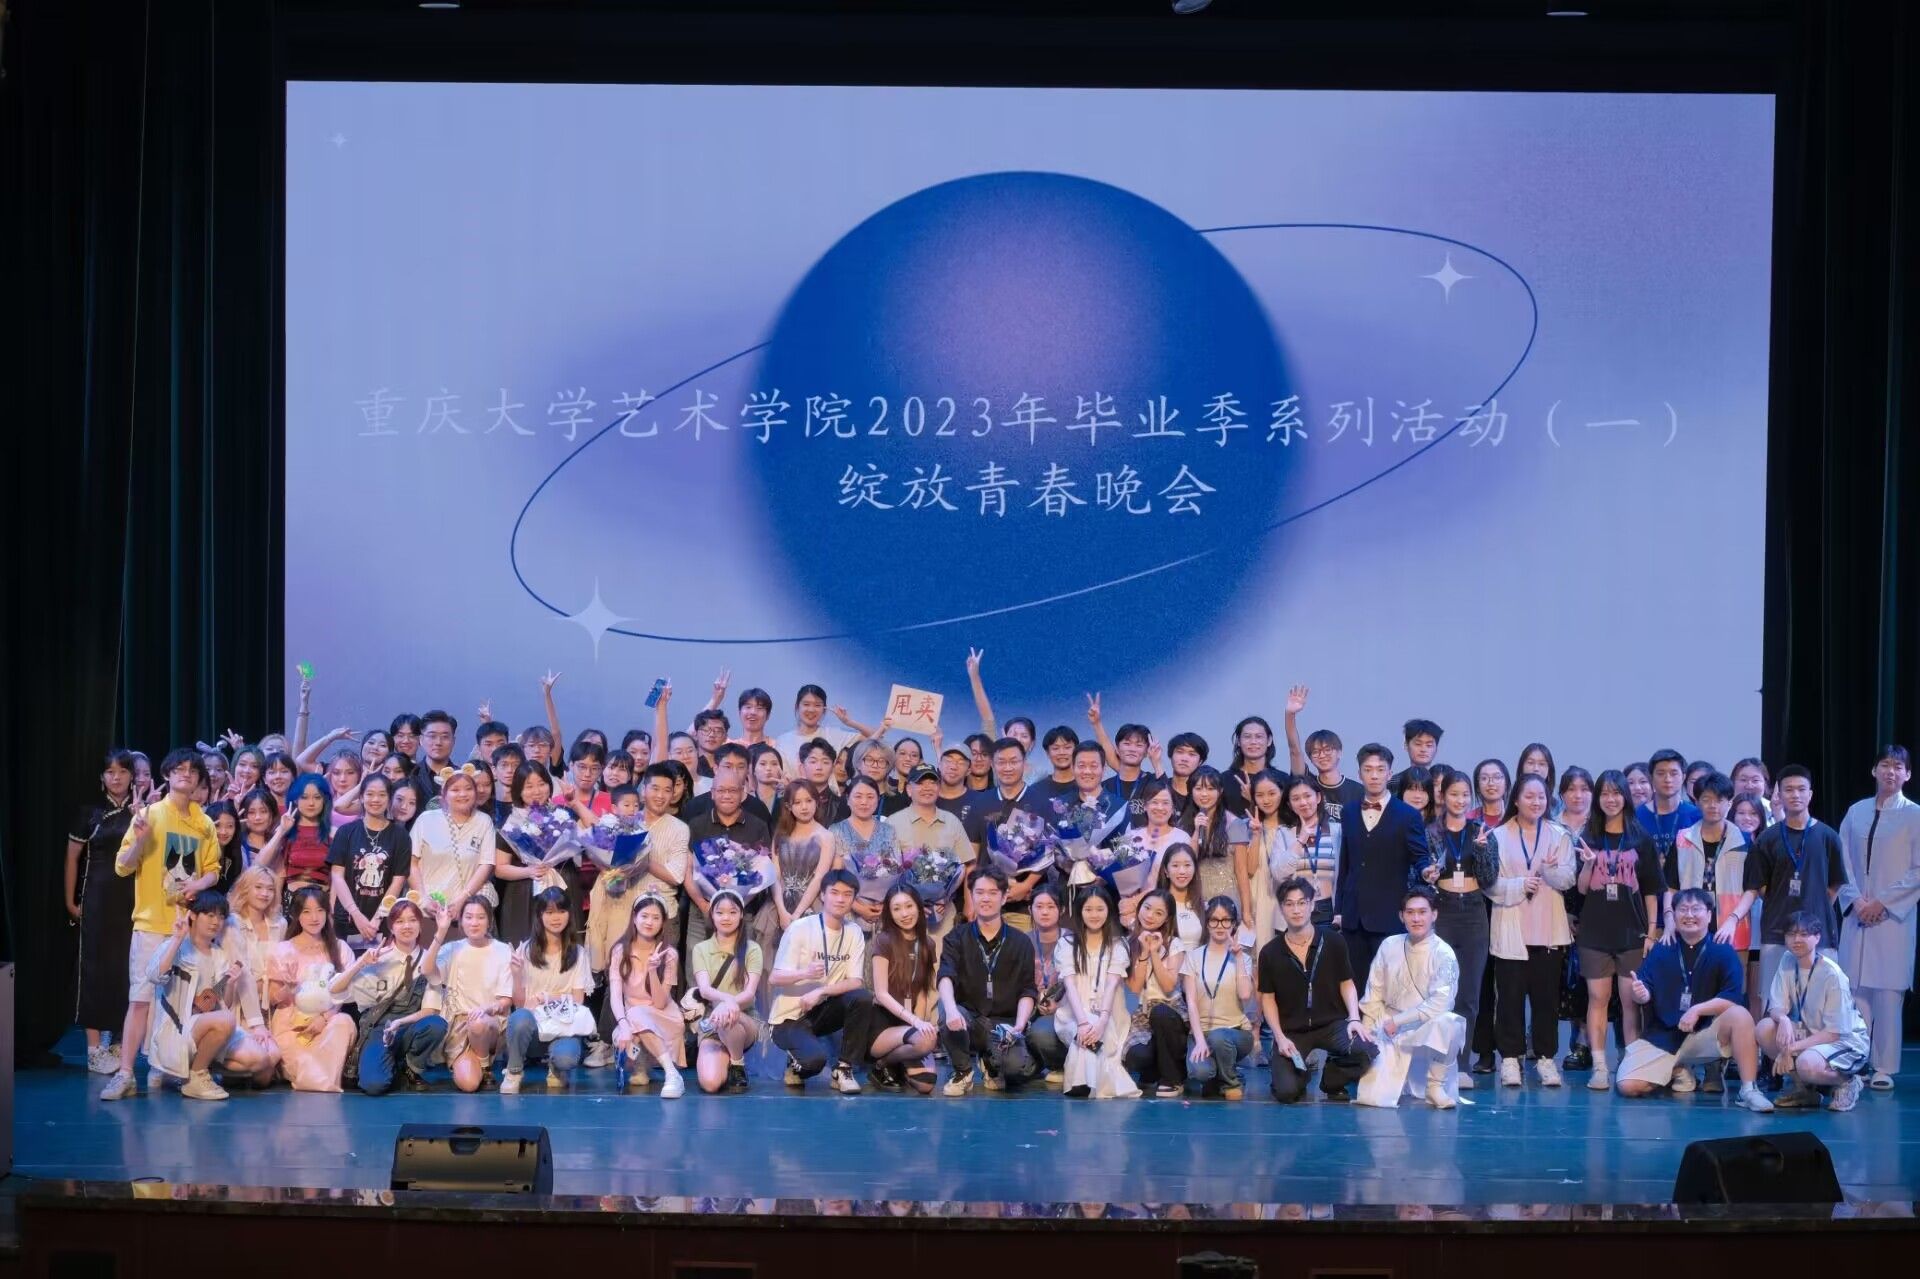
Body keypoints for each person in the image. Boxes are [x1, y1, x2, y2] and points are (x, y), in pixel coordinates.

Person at [101, 748, 222, 1101]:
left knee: (178, 1003)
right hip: (152, 923)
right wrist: (140, 839)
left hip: (188, 927)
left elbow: (213, 870)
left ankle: (164, 1065)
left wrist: (199, 884)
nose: (186, 774)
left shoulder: (204, 823)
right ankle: (125, 1074)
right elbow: (122, 866)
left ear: (199, 780)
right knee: (140, 999)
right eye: (178, 769)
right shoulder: (150, 815)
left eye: (192, 770)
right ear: (167, 774)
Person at [1616, 888, 1773, 1112]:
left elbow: (1732, 997)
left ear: (1709, 915)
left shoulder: (1723, 950)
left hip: (1704, 1034)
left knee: (1741, 1016)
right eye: (1683, 909)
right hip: (1663, 1036)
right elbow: (1644, 990)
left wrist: (1698, 1010)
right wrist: (1641, 994)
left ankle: (1749, 1090)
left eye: (1696, 909)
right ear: (1674, 915)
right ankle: (1677, 1070)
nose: (1689, 915)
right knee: (1628, 1086)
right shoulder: (1662, 949)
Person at [1570, 771, 1664, 1091]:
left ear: (1625, 796)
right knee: (1597, 998)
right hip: (1595, 933)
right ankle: (1599, 1066)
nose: (1611, 800)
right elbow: (1582, 889)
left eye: (1616, 793)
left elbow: (1651, 891)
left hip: (1632, 933)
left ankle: (1631, 1064)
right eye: (1605, 794)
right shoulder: (1588, 837)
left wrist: (1651, 932)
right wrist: (1588, 863)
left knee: (1630, 1002)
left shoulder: (1641, 839)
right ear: (1598, 799)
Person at [1835, 745, 1918, 1090]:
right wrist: (1855, 900)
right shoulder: (1856, 812)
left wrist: (1882, 903)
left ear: (1907, 774)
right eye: (1885, 765)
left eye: (1898, 766)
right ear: (1874, 770)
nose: (1890, 771)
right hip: (1857, 913)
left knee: (1887, 993)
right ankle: (1855, 1060)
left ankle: (1883, 1066)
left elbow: (1917, 870)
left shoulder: (1914, 815)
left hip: (1892, 919)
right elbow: (1842, 861)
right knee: (1854, 990)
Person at [143, 890, 278, 1100]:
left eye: (221, 916)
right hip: (179, 1028)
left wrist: (230, 984)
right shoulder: (176, 946)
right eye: (210, 915)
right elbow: (154, 976)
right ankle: (196, 1076)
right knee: (226, 1020)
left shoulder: (219, 955)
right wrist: (177, 939)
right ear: (193, 915)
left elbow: (225, 1003)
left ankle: (193, 1067)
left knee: (261, 1060)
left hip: (209, 1027)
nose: (216, 921)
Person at [1489, 774, 1575, 1087]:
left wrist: (1549, 870)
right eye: (1529, 796)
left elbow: (1568, 879)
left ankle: (1546, 1059)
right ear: (1515, 799)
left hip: (1547, 930)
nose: (1536, 802)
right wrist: (1519, 885)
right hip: (1511, 930)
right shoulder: (1498, 836)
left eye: (1541, 797)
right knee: (1509, 1000)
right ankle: (1510, 1059)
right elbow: (1489, 884)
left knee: (1546, 1001)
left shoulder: (1559, 834)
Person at [1258, 877, 1376, 1103]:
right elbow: (1268, 998)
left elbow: (1346, 982)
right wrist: (1279, 1037)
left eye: (1302, 903)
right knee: (1286, 1092)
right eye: (1289, 904)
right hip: (1292, 1030)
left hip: (1331, 1024)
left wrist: (1354, 1018)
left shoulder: (1333, 941)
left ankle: (1332, 1079)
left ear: (1312, 904)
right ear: (1281, 908)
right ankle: (1300, 1074)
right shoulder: (1270, 952)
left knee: (1366, 1048)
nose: (1296, 910)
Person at [1421, 766, 1498, 1090]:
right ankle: (1438, 1061)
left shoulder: (1482, 831)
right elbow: (1420, 874)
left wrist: (1480, 851)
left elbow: (1490, 879)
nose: (1460, 800)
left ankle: (1462, 1064)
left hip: (1474, 913)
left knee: (1468, 996)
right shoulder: (1430, 832)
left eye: (1466, 795)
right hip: (1444, 912)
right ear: (1443, 796)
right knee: (1440, 992)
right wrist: (1427, 874)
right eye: (1454, 794)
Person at [1355, 888, 1465, 1109]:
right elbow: (1374, 992)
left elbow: (1440, 1004)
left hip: (1423, 1028)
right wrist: (1370, 1030)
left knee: (1450, 1022)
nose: (1416, 918)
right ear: (1401, 916)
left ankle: (1435, 1086)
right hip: (1387, 1025)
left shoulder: (1443, 953)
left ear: (1434, 914)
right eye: (1410, 912)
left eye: (1422, 912)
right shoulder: (1389, 945)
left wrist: (1399, 1021)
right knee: (1372, 1099)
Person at [1736, 765, 1846, 983]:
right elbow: (1758, 885)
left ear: (1810, 794)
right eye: (1788, 789)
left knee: (1819, 998)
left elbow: (1835, 884)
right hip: (1777, 933)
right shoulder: (1767, 838)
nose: (1795, 795)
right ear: (1779, 795)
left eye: (1801, 789)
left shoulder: (1828, 836)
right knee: (1774, 997)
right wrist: (1780, 900)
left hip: (1819, 934)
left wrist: (1814, 904)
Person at [768, 868, 872, 1092]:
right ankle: (795, 1066)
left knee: (862, 998)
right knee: (814, 1062)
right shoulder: (800, 928)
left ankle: (843, 1069)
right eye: (834, 893)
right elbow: (775, 977)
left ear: (853, 899)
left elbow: (856, 981)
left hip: (821, 1010)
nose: (840, 899)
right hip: (788, 1018)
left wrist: (821, 991)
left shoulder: (854, 932)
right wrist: (804, 974)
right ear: (823, 895)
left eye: (847, 894)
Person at [68, 749, 139, 1075]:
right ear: (101, 777)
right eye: (110, 772)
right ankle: (94, 1049)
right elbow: (72, 858)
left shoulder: (142, 809)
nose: (116, 777)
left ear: (131, 775)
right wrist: (70, 901)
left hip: (132, 901)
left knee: (125, 969)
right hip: (96, 898)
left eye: (122, 771)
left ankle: (119, 1044)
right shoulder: (90, 813)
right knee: (94, 969)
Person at [1757, 911, 1871, 1111]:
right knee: (1764, 1028)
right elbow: (1776, 1006)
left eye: (1804, 934)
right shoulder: (1787, 960)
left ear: (1817, 937)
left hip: (1846, 1041)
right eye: (1791, 934)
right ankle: (1805, 1089)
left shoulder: (1832, 975)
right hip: (1812, 1032)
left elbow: (1834, 1033)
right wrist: (1783, 1019)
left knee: (1807, 1064)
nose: (1796, 940)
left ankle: (1848, 1081)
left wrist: (1791, 1048)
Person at [938, 867, 1038, 1094]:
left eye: (993, 893)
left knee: (1015, 1070)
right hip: (969, 1019)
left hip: (1005, 1025)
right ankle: (963, 1071)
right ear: (971, 896)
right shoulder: (956, 937)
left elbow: (1028, 990)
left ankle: (991, 1064)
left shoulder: (1021, 942)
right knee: (946, 1007)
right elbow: (945, 976)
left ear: (1004, 897)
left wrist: (1019, 1026)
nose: (985, 898)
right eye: (980, 892)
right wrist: (951, 1010)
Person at [1332, 744, 1427, 979]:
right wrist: (1339, 910)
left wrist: (1427, 870)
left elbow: (1420, 857)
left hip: (1389, 916)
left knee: (1390, 983)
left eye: (1380, 769)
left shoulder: (1408, 815)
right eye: (1368, 770)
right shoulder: (1349, 812)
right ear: (1359, 774)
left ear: (1389, 774)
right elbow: (1346, 864)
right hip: (1353, 917)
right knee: (1355, 983)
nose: (1374, 775)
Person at [336, 897, 444, 1095]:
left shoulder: (429, 959)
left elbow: (431, 1010)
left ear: (420, 924)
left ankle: (411, 1067)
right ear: (391, 927)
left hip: (410, 1025)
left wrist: (400, 1022)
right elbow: (335, 990)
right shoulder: (377, 957)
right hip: (380, 1028)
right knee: (374, 1085)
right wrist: (360, 963)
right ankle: (392, 1065)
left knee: (436, 1025)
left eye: (412, 920)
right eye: (400, 921)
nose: (407, 926)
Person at [501, 887, 595, 1094]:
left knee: (566, 1058)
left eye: (561, 911)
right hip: (535, 1027)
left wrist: (546, 997)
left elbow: (578, 1000)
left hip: (563, 1027)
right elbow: (520, 1005)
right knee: (520, 1018)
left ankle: (556, 1067)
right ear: (540, 915)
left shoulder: (578, 953)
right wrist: (516, 974)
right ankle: (514, 1071)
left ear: (569, 914)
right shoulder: (526, 950)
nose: (556, 918)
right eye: (550, 912)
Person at [266, 885, 356, 1092]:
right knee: (308, 1067)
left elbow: (343, 996)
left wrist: (324, 1018)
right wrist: (288, 989)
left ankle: (318, 1079)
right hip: (292, 1028)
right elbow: (272, 998)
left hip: (327, 1025)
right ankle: (320, 1079)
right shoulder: (283, 950)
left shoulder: (340, 949)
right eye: (306, 911)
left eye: (319, 910)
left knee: (343, 1022)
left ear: (327, 913)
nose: (314, 918)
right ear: (296, 915)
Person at [1054, 883, 1138, 1098]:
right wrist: (1083, 1022)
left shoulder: (1118, 945)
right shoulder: (1066, 944)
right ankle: (1088, 1084)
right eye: (1088, 909)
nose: (1094, 915)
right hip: (1074, 1013)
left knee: (1096, 1033)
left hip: (1109, 1014)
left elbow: (1111, 986)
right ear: (1080, 911)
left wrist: (1102, 1021)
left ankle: (1081, 1084)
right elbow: (1070, 986)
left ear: (1109, 911)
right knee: (1085, 1032)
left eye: (1100, 909)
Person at [606, 892, 687, 1096]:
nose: (649, 922)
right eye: (644, 916)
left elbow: (659, 1003)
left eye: (655, 917)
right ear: (634, 918)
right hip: (633, 1020)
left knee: (637, 1013)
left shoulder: (669, 954)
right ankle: (642, 1063)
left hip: (663, 1017)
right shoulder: (620, 951)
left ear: (663, 923)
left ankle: (672, 1075)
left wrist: (652, 970)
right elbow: (615, 996)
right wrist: (624, 1025)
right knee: (624, 1045)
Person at [864, 884, 941, 1094]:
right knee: (924, 1041)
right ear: (889, 913)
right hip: (883, 1025)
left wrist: (921, 1022)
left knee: (926, 1084)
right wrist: (916, 1023)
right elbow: (881, 994)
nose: (904, 914)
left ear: (919, 907)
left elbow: (923, 991)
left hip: (909, 1023)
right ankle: (881, 1064)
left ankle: (896, 1062)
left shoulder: (928, 944)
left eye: (909, 906)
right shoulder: (884, 941)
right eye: (896, 909)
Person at [689, 888, 764, 1094]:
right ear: (712, 915)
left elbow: (749, 993)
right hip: (712, 1021)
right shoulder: (701, 949)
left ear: (741, 915)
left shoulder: (752, 949)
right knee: (711, 1083)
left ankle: (737, 1064)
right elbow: (705, 990)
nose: (726, 918)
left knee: (728, 1016)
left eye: (732, 912)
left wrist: (728, 1006)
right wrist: (726, 1002)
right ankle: (726, 1059)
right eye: (720, 912)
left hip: (744, 1020)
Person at [1181, 896, 1257, 1099]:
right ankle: (1220, 1075)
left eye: (1226, 920)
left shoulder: (1243, 958)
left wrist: (1238, 958)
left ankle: (1231, 1082)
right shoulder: (1193, 957)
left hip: (1236, 1032)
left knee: (1219, 1037)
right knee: (1201, 1072)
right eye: (1214, 920)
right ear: (1207, 923)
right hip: (1202, 1032)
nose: (1220, 926)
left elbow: (1245, 995)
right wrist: (1199, 1040)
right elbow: (1191, 1003)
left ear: (1233, 924)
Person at [886, 764, 973, 940]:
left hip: (942, 913)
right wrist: (911, 901)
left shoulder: (952, 821)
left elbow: (967, 864)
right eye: (920, 783)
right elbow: (886, 872)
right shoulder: (892, 823)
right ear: (909, 789)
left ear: (939, 787)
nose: (927, 787)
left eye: (932, 782)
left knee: (943, 957)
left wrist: (946, 897)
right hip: (903, 916)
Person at [327, 772, 410, 950]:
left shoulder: (400, 836)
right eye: (370, 794)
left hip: (382, 919)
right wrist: (356, 915)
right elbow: (337, 876)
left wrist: (378, 918)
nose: (375, 799)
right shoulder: (346, 832)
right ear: (361, 798)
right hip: (348, 916)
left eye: (382, 795)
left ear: (389, 799)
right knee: (346, 964)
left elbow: (398, 881)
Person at [407, 763, 497, 919]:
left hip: (466, 912)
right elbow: (411, 862)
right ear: (444, 794)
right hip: (428, 908)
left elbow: (486, 864)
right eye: (455, 790)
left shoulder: (484, 821)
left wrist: (462, 899)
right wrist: (423, 898)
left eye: (468, 789)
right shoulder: (426, 819)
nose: (462, 794)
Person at [1124, 888, 1190, 1097]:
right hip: (1140, 1015)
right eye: (1147, 908)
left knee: (1160, 1013)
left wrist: (1154, 951)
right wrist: (1144, 952)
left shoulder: (1175, 944)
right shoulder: (1127, 943)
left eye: (1159, 913)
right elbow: (1134, 989)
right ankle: (1152, 1071)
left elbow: (1168, 986)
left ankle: (1173, 1078)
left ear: (1167, 918)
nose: (1150, 915)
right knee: (1136, 1056)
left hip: (1169, 1011)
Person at [1270, 776, 1341, 925]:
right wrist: (1301, 840)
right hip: (1296, 909)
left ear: (1318, 798)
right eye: (1296, 799)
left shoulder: (1336, 831)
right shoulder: (1284, 834)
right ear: (1289, 805)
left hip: (1329, 909)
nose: (1303, 802)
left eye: (1307, 796)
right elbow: (1278, 874)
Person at [1023, 885, 1072, 1083]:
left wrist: (1059, 1006)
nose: (1044, 912)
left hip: (1065, 1010)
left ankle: (1060, 1064)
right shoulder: (1022, 941)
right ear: (1030, 909)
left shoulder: (1073, 941)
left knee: (1041, 1033)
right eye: (1039, 906)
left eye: (1051, 907)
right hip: (1028, 1010)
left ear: (1062, 910)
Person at [1637, 749, 1702, 883]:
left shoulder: (1696, 815)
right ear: (1651, 778)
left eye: (1674, 773)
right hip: (1646, 889)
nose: (1667, 779)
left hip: (1686, 890)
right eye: (1661, 774)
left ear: (1683, 777)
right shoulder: (1636, 816)